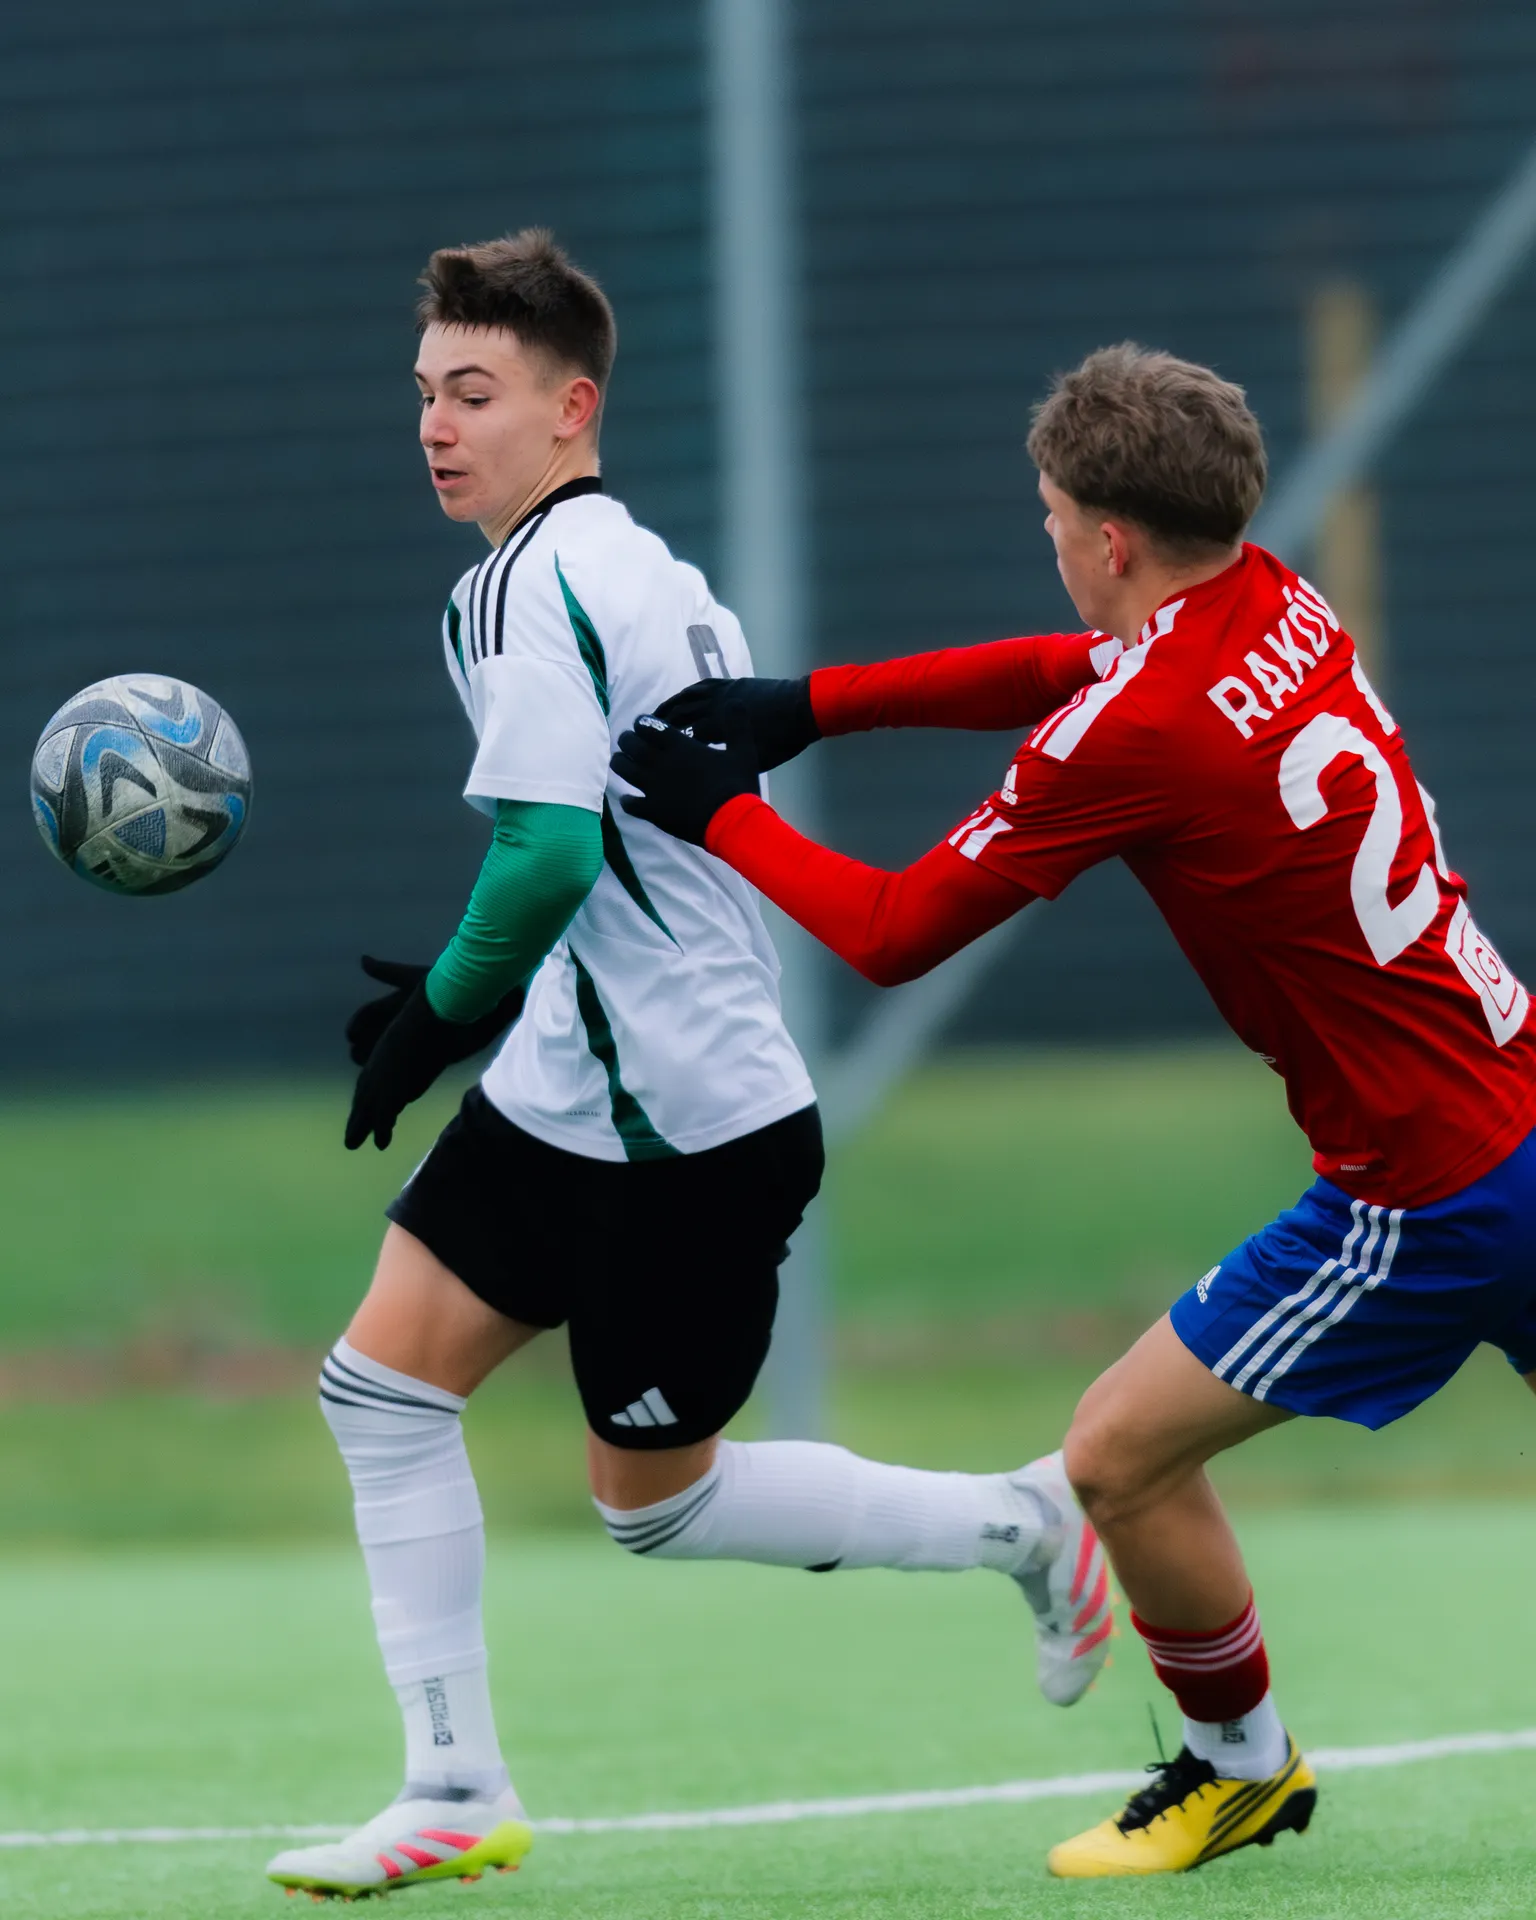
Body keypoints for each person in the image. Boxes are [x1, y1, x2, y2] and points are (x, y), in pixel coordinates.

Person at [614, 341, 1536, 1879]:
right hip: (1518, 1095)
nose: (1047, 542)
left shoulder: (1146, 725)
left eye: (1051, 518)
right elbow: (1071, 671)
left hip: (1429, 1193)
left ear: (1110, 540)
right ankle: (1241, 1765)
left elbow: (894, 930)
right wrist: (808, 709)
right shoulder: (1278, 600)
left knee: (1115, 1457)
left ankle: (1239, 1768)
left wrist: (718, 815)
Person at [265, 231, 1110, 1901]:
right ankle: (452, 1788)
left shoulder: (535, 585)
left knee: (655, 1504)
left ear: (573, 408)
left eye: (475, 394)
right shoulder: (615, 561)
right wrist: (480, 1020)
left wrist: (437, 1016)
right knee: (380, 1388)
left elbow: (547, 858)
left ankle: (1025, 1520)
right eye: (425, 394)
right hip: (570, 1091)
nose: (436, 426)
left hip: (688, 1126)